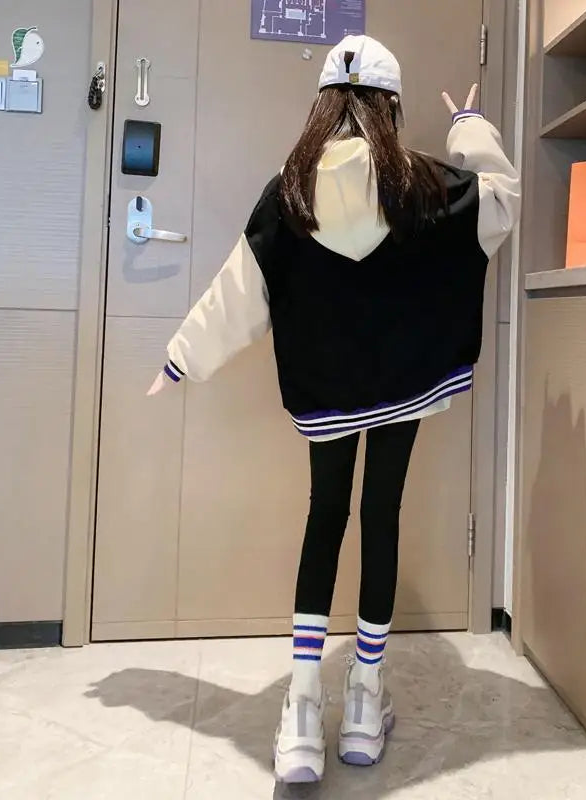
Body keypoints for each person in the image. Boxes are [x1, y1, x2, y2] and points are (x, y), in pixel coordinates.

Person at [147, 35, 520, 784]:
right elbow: (500, 201)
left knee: (327, 516)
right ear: (390, 106)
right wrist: (470, 126)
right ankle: (364, 701)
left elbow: (239, 290)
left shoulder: (289, 191)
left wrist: (182, 356)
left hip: (327, 392)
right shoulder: (425, 185)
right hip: (404, 384)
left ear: (324, 103)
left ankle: (302, 709)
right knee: (381, 516)